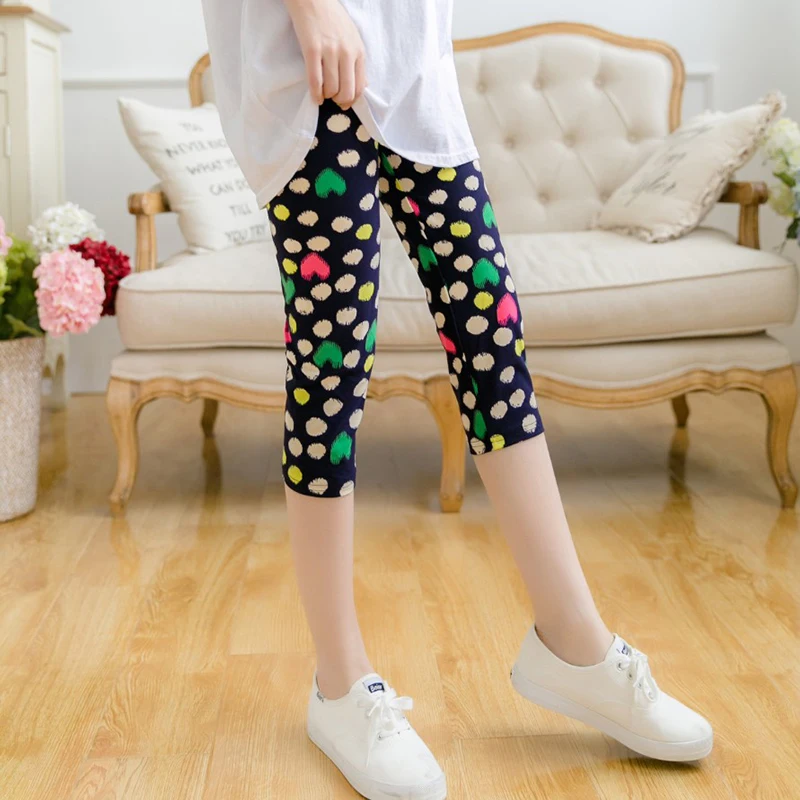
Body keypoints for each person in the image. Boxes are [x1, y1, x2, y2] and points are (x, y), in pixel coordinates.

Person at [201, 1, 713, 797]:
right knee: (331, 365)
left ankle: (575, 643)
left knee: (492, 335)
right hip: (311, 68)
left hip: (413, 64)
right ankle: (340, 683)